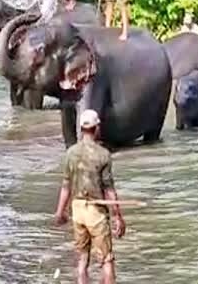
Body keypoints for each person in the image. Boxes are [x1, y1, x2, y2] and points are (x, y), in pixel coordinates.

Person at [54, 109, 126, 284]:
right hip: (96, 212)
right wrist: (118, 216)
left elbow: (66, 186)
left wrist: (60, 212)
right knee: (106, 261)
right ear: (97, 128)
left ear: (81, 129)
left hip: (77, 210)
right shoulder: (103, 155)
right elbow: (109, 189)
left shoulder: (70, 153)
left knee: (82, 262)